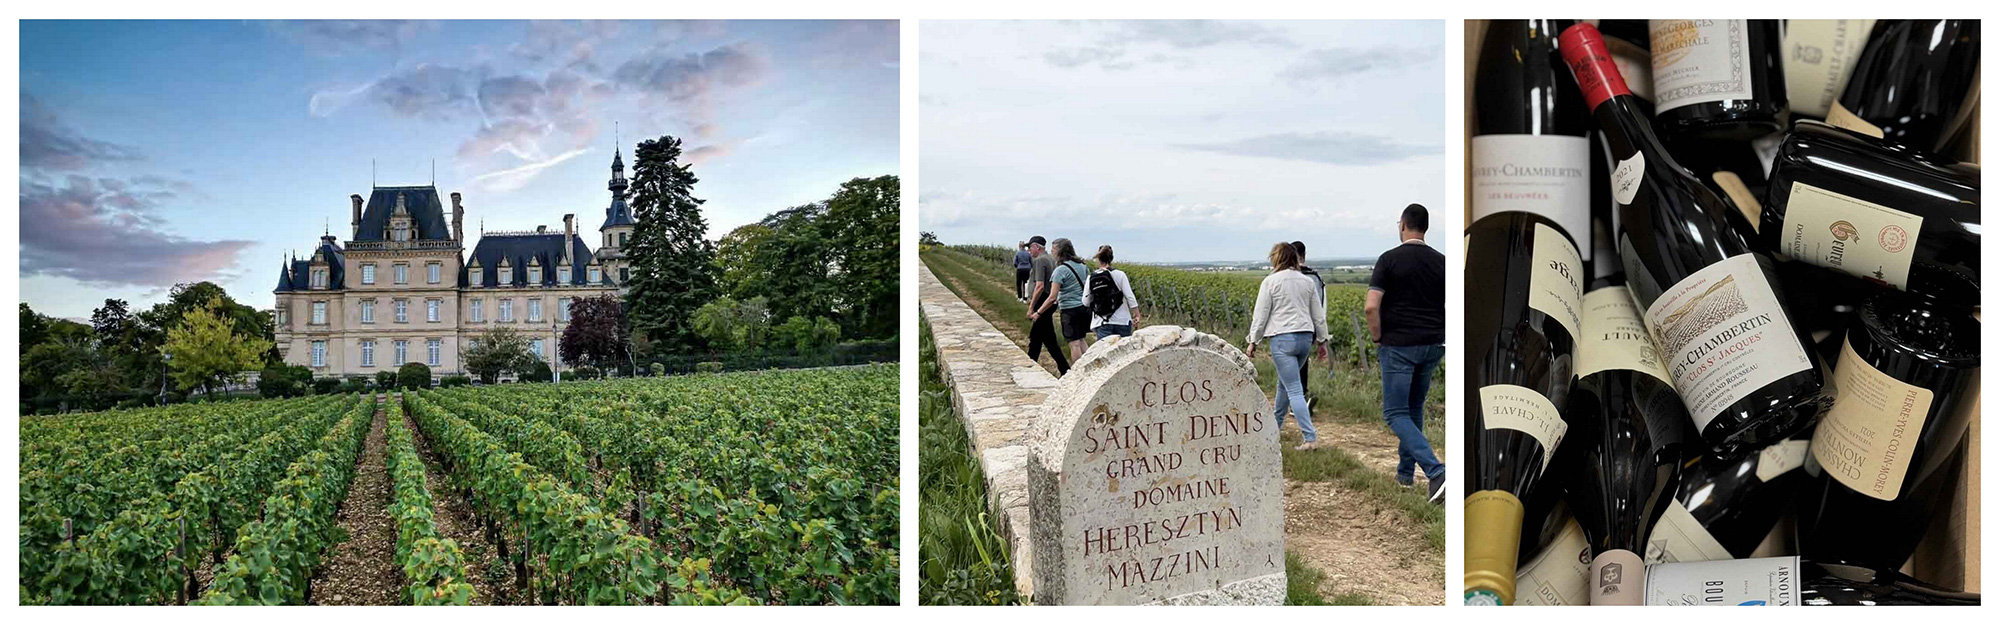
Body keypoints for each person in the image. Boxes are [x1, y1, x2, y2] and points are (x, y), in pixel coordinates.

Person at [1368, 203, 1447, 503]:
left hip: (1398, 345)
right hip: (1432, 345)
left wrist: (1378, 338)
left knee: (1395, 412)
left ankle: (1437, 471)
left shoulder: (1388, 260)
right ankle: (1404, 475)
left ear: (1402, 225)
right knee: (1413, 409)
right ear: (1425, 227)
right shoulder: (1442, 262)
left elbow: (1371, 306)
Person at [1244, 242, 1328, 449]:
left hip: (1282, 339)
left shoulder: (1270, 282)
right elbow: (1318, 315)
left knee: (1293, 389)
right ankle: (1274, 429)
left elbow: (1261, 315)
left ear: (1277, 258)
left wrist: (1253, 340)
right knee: (1284, 384)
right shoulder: (1307, 282)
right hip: (1304, 338)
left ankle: (1310, 438)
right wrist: (1322, 341)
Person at [1033, 238, 1093, 371]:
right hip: (1083, 307)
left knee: (1074, 344)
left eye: (1054, 249)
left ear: (1060, 252)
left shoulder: (1060, 270)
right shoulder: (1083, 267)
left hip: (1069, 310)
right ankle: (1091, 367)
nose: (1052, 252)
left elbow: (1052, 297)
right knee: (1082, 340)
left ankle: (1077, 373)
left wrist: (1038, 312)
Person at [1023, 236, 1071, 374]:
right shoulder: (1051, 259)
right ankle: (1063, 368)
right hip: (1050, 300)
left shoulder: (1039, 260)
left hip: (1042, 299)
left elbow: (1039, 285)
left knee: (1036, 335)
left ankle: (1031, 363)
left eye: (1030, 247)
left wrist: (1032, 307)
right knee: (1046, 337)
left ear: (1037, 247)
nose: (1029, 250)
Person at [1291, 241, 1326, 413]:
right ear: (1304, 255)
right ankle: (1302, 398)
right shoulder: (1315, 277)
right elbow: (1320, 307)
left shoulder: (1282, 277)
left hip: (1287, 329)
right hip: (1308, 329)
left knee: (1288, 368)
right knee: (1303, 365)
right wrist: (1321, 338)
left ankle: (1293, 403)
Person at [1081, 245, 1140, 339]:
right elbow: (1130, 296)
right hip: (1122, 321)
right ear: (1112, 258)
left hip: (1102, 321)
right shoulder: (1120, 275)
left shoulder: (1091, 277)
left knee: (1104, 352)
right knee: (1125, 352)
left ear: (1098, 259)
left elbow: (1085, 302)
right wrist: (1137, 314)